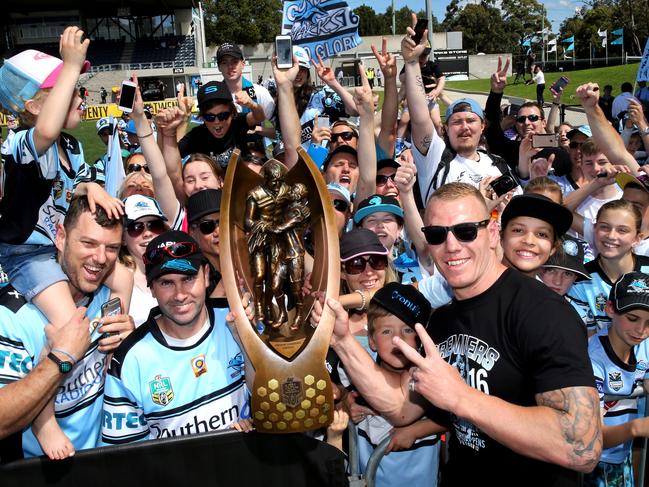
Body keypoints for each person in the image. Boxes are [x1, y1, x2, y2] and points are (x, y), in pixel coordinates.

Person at [316, 181, 602, 485]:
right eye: (438, 235)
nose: (452, 246)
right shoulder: (441, 322)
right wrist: (342, 341)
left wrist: (461, 398)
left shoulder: (543, 313)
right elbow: (401, 409)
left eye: (466, 231)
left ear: (492, 234)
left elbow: (580, 447)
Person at [0, 30, 132, 458]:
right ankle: (44, 422)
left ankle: (112, 343)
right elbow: (45, 130)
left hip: (53, 250)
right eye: (66, 89)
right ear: (32, 106)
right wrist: (70, 61)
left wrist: (90, 188)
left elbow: (73, 187)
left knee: (125, 277)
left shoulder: (72, 146)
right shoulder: (20, 145)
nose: (79, 94)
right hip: (26, 255)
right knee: (64, 327)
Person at [0, 195, 134, 461]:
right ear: (60, 237)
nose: (99, 258)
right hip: (41, 471)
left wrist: (129, 341)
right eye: (88, 243)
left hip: (104, 464)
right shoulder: (12, 316)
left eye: (111, 248)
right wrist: (61, 361)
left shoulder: (107, 292)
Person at [101, 230, 250, 445]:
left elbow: (272, 405)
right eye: (166, 283)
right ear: (151, 288)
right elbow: (126, 459)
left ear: (207, 275)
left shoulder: (235, 321)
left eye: (188, 278)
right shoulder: (130, 359)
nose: (180, 295)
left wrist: (247, 344)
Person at [354, 283, 442, 486]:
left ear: (420, 340)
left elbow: (452, 419)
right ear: (372, 341)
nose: (397, 340)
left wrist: (416, 430)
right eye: (386, 332)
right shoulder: (360, 375)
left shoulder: (426, 377)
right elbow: (343, 396)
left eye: (407, 330)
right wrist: (346, 405)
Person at [584, 272, 649, 486]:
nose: (641, 330)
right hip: (593, 462)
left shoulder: (645, 345)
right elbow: (591, 436)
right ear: (610, 309)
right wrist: (637, 428)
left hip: (623, 455)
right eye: (632, 318)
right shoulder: (592, 358)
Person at [569, 199, 649, 334]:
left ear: (637, 239)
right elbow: (588, 339)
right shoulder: (579, 281)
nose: (611, 236)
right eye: (604, 227)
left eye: (622, 230)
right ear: (594, 229)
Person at [485, 57, 549, 169]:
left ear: (543, 122)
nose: (526, 122)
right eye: (521, 119)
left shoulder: (560, 150)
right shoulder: (509, 149)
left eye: (533, 118)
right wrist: (496, 92)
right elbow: (492, 124)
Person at [121, 194, 168, 327]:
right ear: (122, 238)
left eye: (154, 225)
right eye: (136, 227)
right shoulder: (114, 279)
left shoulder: (177, 269)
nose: (147, 233)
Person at [216, 42, 275, 121]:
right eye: (224, 63)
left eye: (234, 61)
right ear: (219, 67)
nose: (230, 66)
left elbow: (277, 129)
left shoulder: (260, 92)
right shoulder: (214, 96)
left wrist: (257, 130)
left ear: (243, 64)